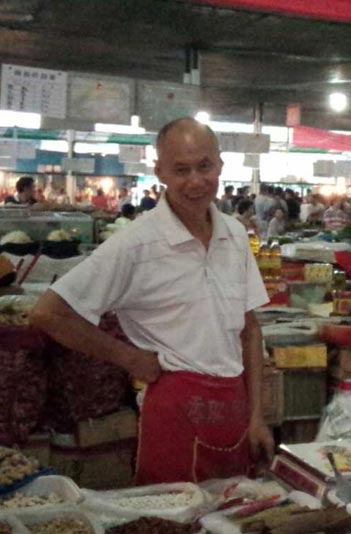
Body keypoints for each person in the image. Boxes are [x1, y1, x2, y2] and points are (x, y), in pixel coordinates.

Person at [29, 117, 274, 485]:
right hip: (173, 411)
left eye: (204, 166)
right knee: (169, 533)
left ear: (220, 165)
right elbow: (49, 313)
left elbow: (250, 332)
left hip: (234, 408)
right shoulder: (137, 243)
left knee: (230, 523)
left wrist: (256, 416)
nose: (195, 180)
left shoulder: (235, 234)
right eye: (181, 170)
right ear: (160, 172)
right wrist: (129, 358)